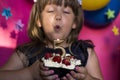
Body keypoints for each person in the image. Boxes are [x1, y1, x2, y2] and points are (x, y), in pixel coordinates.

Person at [0, 0, 103, 80]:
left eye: (66, 12)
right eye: (51, 11)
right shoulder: (27, 52)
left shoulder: (85, 52)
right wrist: (29, 74)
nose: (58, 16)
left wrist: (86, 78)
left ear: (75, 22)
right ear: (39, 20)